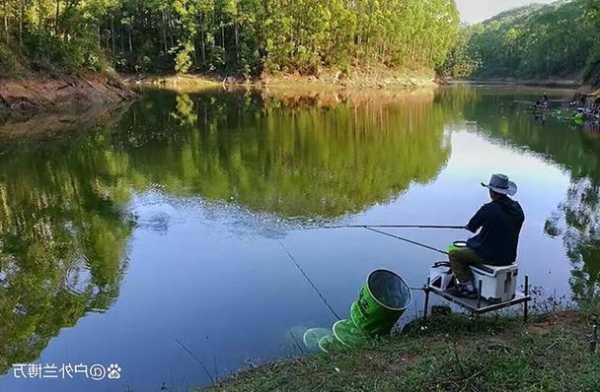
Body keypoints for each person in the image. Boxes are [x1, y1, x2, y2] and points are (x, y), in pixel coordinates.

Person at [448, 174, 525, 299]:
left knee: (454, 254)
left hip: (489, 256)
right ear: (505, 192)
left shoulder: (488, 209)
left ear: (492, 192)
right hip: (508, 257)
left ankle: (468, 288)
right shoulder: (517, 209)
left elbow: (472, 227)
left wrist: (468, 226)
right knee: (469, 248)